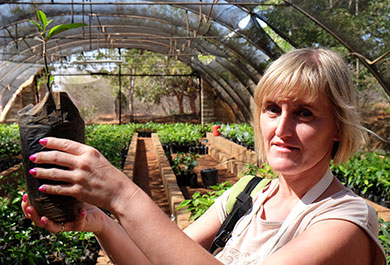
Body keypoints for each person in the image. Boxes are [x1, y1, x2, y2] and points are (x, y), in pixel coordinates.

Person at [22, 48, 386, 265]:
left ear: (337, 127)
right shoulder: (249, 194)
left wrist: (123, 194)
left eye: (305, 113)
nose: (282, 128)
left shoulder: (345, 223)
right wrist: (100, 221)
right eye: (272, 109)